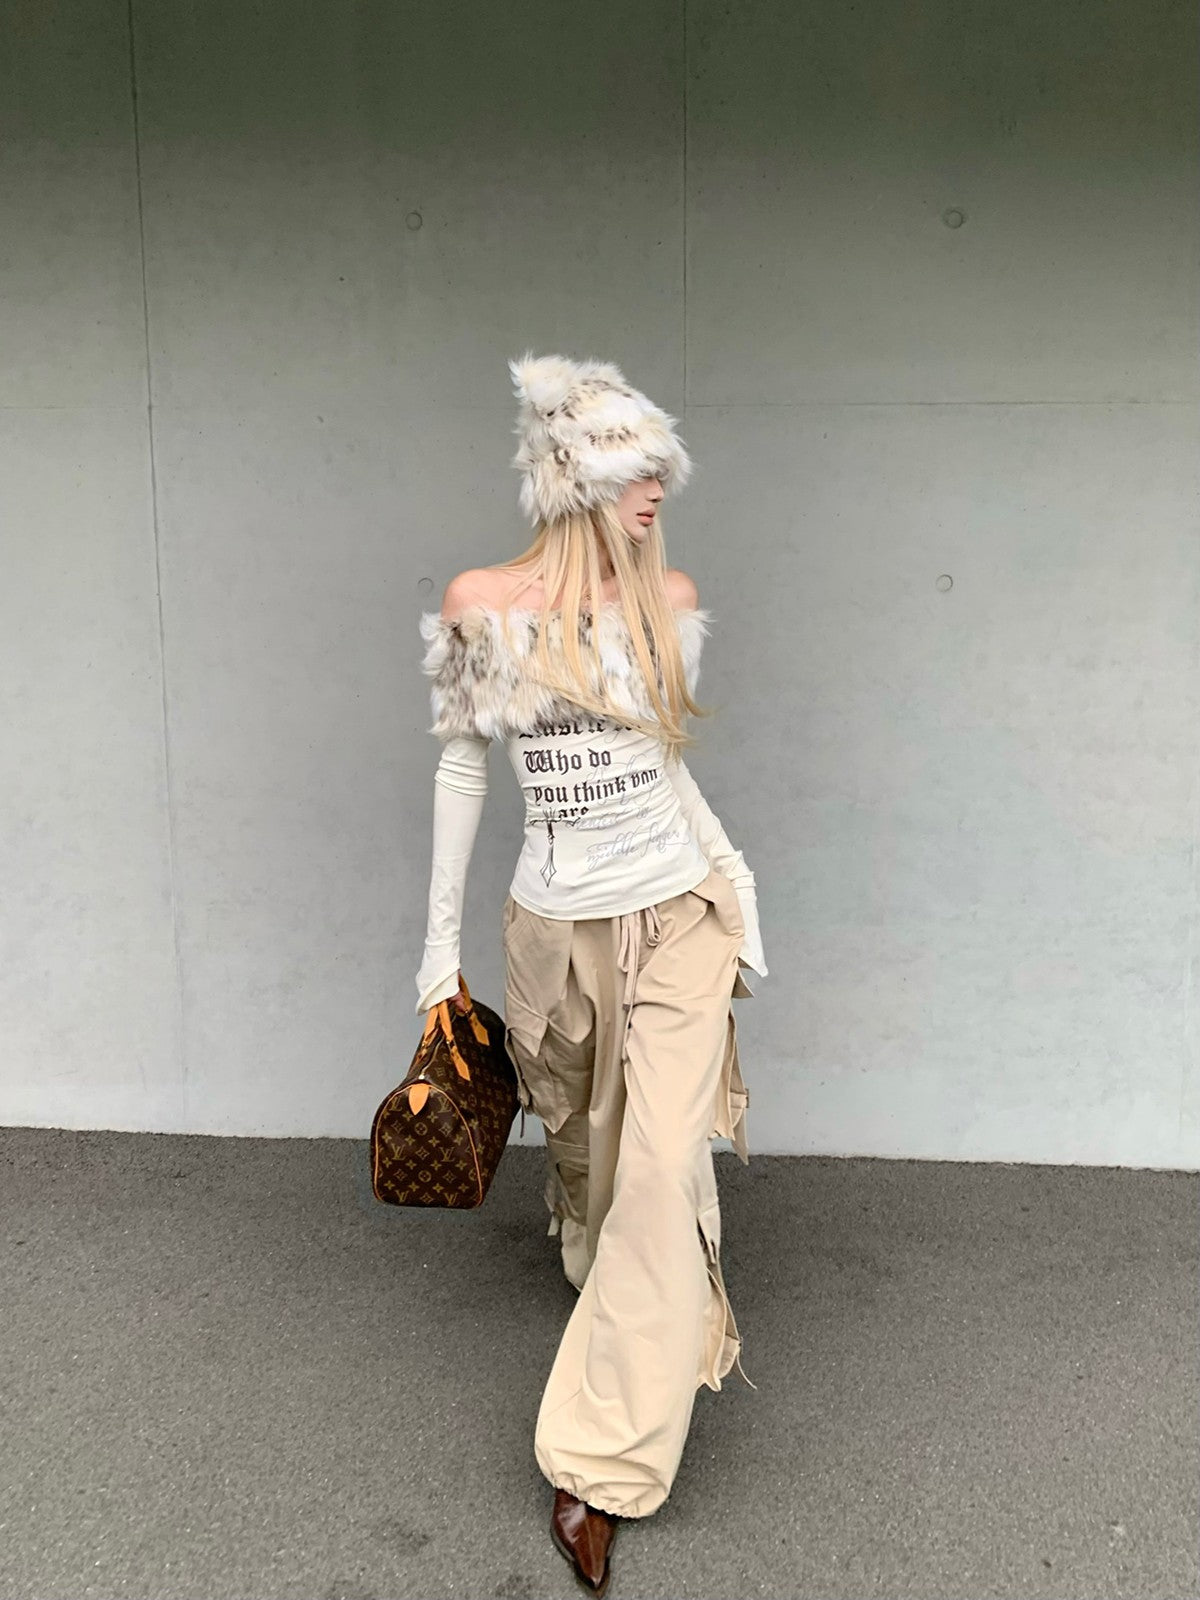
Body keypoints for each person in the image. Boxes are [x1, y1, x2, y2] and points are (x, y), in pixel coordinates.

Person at [414, 353, 767, 1596]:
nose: (660, 489)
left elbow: (664, 769)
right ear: (570, 477)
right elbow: (464, 767)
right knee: (589, 1162)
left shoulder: (669, 599)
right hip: (553, 933)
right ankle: (607, 1258)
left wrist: (737, 884)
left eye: (664, 468)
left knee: (664, 1170)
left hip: (677, 915)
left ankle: (599, 1467)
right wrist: (438, 957)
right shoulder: (482, 602)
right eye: (636, 469)